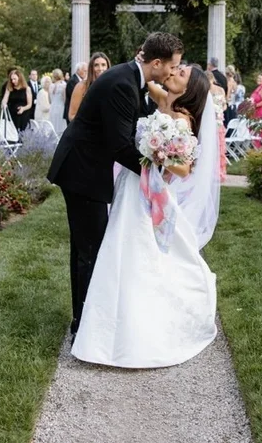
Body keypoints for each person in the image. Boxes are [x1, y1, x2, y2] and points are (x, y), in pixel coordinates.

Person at [71, 63, 220, 368]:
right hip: (130, 183)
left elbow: (184, 168)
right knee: (116, 249)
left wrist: (159, 154)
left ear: (190, 89)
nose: (175, 73)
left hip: (147, 187)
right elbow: (143, 76)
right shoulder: (162, 98)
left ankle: (137, 330)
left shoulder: (183, 119)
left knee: (138, 251)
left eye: (182, 75)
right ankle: (103, 327)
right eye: (176, 69)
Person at [48, 33, 184, 341]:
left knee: (86, 249)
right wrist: (157, 172)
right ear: (157, 63)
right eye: (173, 67)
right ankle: (84, 327)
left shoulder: (127, 77)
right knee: (89, 250)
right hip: (82, 172)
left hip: (83, 169)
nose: (174, 72)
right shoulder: (123, 83)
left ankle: (82, 319)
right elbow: (120, 147)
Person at [68, 53, 110, 121]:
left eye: (103, 65)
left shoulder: (112, 86)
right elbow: (72, 116)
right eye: (96, 65)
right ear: (91, 68)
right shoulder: (81, 86)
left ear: (108, 67)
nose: (100, 68)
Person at [1, 68, 33, 133]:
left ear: (19, 78)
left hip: (23, 114)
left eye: (14, 79)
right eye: (11, 79)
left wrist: (23, 108)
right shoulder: (9, 88)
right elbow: (5, 99)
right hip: (12, 113)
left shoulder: (27, 89)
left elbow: (29, 104)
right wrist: (4, 104)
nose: (13, 81)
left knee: (22, 132)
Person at [49, 69, 67, 134]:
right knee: (61, 127)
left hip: (52, 108)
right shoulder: (64, 85)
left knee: (53, 126)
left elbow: (50, 100)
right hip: (61, 108)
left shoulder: (51, 86)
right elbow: (65, 99)